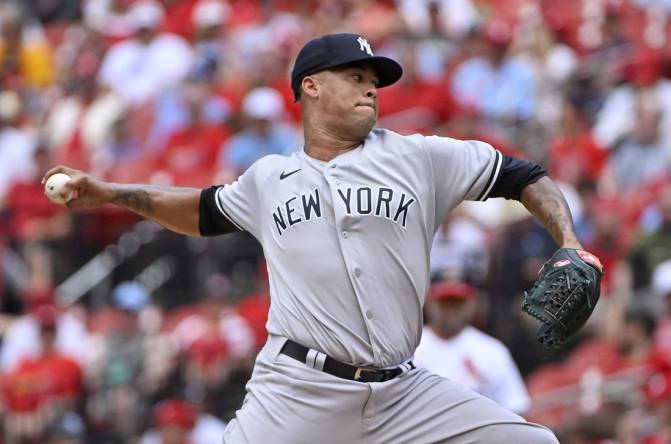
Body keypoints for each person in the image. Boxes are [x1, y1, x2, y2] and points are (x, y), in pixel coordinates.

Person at [43, 33, 598, 443]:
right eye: (355, 76)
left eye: (373, 81)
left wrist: (569, 241)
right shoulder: (268, 178)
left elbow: (524, 176)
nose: (370, 89)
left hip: (403, 394)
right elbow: (201, 210)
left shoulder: (419, 156)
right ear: (310, 86)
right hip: (298, 391)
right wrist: (112, 192)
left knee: (532, 442)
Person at [414, 280, 531, 413]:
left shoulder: (492, 350)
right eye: (444, 303)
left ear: (472, 304)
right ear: (429, 303)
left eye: (458, 303)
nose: (451, 310)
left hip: (481, 431)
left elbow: (516, 406)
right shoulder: (410, 349)